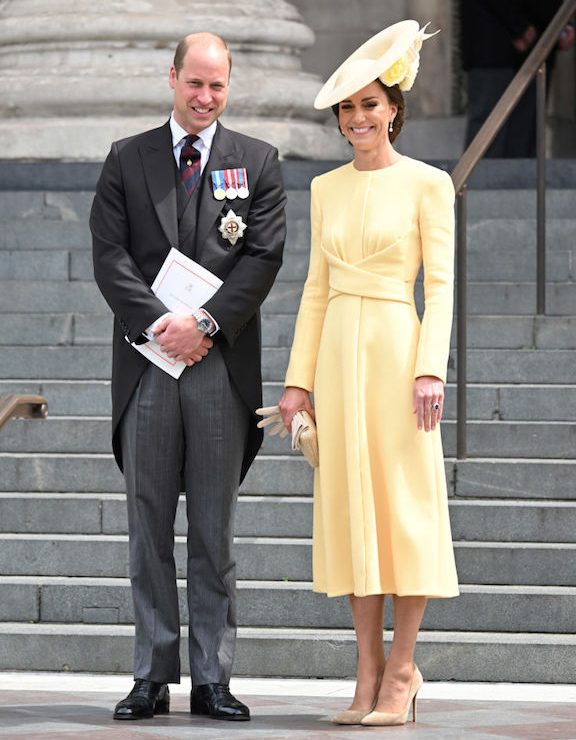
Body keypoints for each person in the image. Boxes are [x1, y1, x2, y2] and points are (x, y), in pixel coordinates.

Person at [90, 32, 286, 722]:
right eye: (195, 83)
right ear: (171, 78)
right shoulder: (126, 159)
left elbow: (262, 259)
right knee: (146, 527)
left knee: (213, 531)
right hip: (148, 365)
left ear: (229, 88)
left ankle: (212, 676)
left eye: (218, 86)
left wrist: (202, 325)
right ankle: (150, 674)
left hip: (217, 369)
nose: (205, 98)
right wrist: (159, 325)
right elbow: (110, 255)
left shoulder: (258, 161)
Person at [277, 20, 459, 727]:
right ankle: (367, 671)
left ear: (395, 109)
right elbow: (315, 289)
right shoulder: (325, 189)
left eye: (370, 104)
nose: (358, 118)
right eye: (347, 107)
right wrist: (297, 384)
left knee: (403, 511)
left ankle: (404, 668)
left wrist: (430, 370)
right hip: (338, 360)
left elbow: (439, 287)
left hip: (397, 354)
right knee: (352, 514)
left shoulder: (428, 184)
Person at [461, 0, 574, 157]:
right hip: (494, 45)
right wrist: (519, 26)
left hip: (537, 46)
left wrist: (562, 23)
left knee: (523, 140)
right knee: (489, 140)